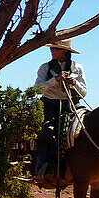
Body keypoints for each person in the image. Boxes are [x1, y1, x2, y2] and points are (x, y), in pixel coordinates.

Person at [33, 39, 87, 184]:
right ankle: (41, 169)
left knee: (87, 131)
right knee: (46, 131)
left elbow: (84, 92)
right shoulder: (45, 68)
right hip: (49, 105)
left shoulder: (78, 68)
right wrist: (55, 80)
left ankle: (89, 168)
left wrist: (74, 83)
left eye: (55, 49)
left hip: (72, 105)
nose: (51, 51)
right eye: (51, 49)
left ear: (65, 51)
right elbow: (37, 89)